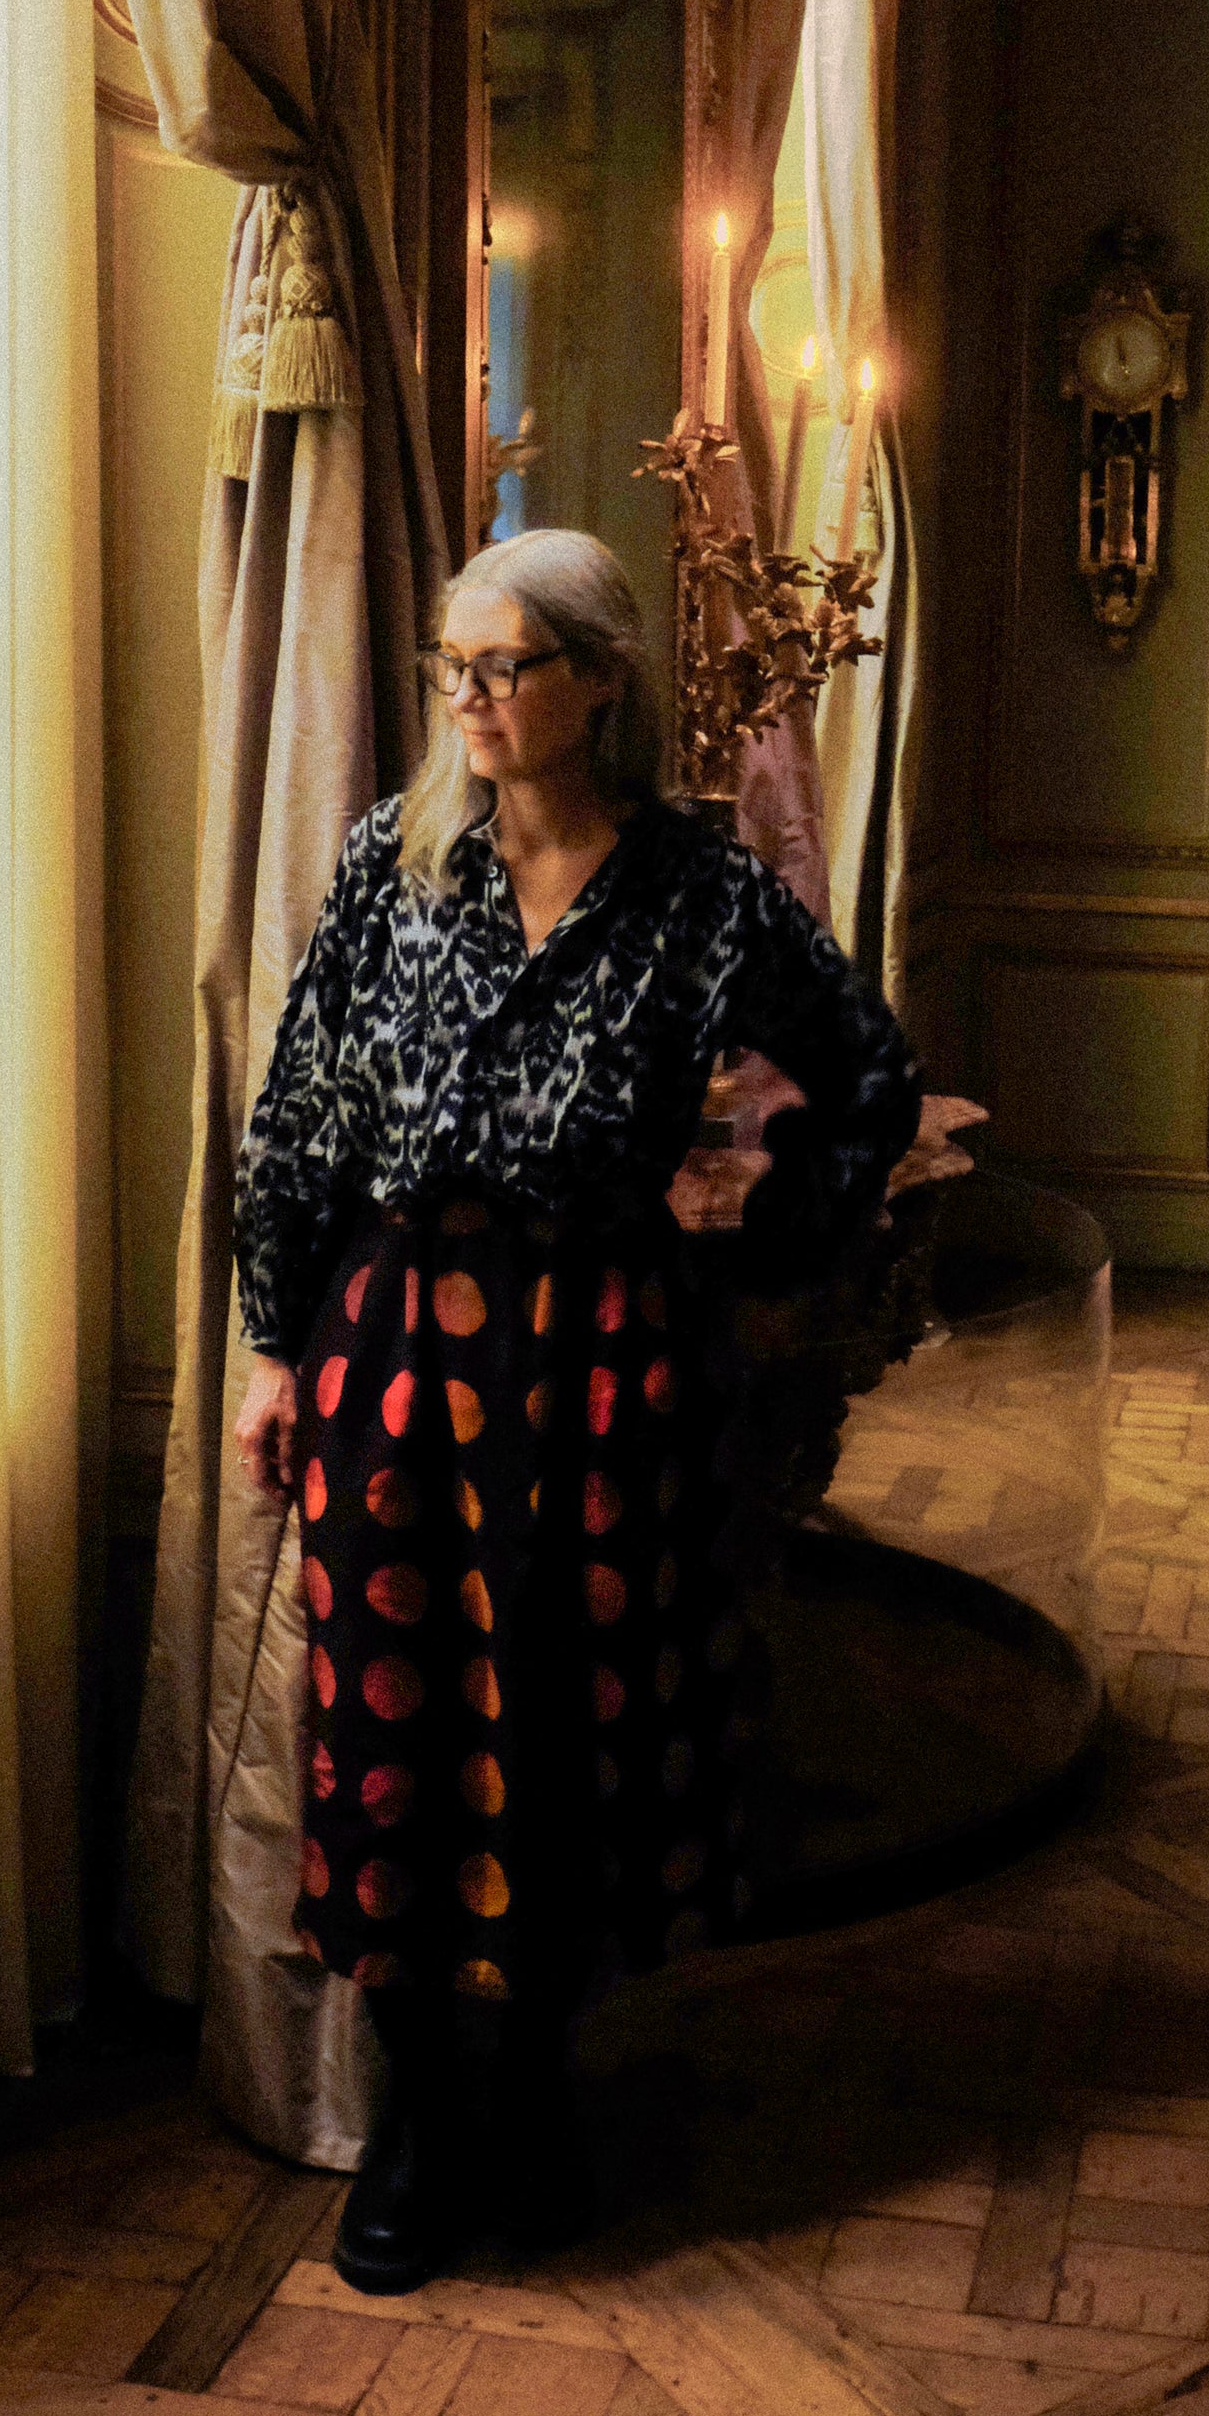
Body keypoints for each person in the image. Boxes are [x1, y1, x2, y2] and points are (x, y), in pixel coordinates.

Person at [231, 528, 921, 2292]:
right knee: (391, 1729)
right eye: (450, 668)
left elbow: (867, 1076)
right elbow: (300, 1119)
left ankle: (531, 2095)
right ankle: (405, 2126)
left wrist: (757, 1225)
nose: (467, 698)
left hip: (604, 1357)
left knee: (560, 1733)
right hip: (394, 1350)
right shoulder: (392, 872)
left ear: (594, 685)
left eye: (502, 666)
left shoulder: (699, 893)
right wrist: (267, 1351)